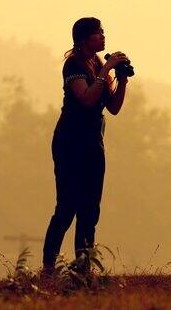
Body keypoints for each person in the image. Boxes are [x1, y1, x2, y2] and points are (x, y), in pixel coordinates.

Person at [42, 17, 131, 274]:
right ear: (83, 39)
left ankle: (83, 268)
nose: (103, 37)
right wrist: (106, 72)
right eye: (98, 33)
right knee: (67, 206)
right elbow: (86, 99)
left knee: (90, 207)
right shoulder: (74, 65)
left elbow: (112, 107)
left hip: (93, 142)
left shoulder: (97, 62)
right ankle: (49, 267)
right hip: (71, 142)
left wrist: (122, 79)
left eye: (103, 32)